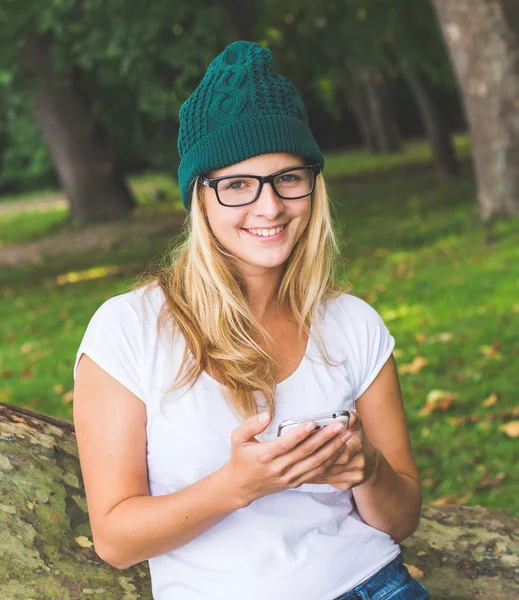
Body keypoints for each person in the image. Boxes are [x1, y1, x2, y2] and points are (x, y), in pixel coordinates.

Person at [73, 40, 430, 600]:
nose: (270, 207)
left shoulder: (352, 324)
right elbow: (116, 541)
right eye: (237, 184)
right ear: (200, 198)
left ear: (314, 185)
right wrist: (237, 486)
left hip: (372, 585)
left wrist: (367, 469)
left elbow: (401, 517)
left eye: (289, 178)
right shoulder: (129, 330)